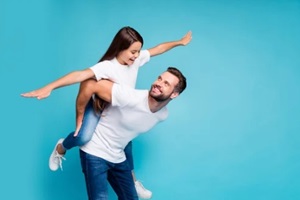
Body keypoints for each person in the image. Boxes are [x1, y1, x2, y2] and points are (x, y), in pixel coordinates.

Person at [21, 26, 192, 199]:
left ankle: (132, 181)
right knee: (83, 136)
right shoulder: (108, 67)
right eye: (133, 51)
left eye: (138, 51)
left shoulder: (136, 62)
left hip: (118, 110)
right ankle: (62, 146)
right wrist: (50, 88)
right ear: (120, 48)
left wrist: (179, 42)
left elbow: (158, 49)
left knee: (127, 139)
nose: (136, 55)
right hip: (99, 106)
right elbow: (82, 78)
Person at [78, 67, 187, 200]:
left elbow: (129, 131)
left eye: (166, 83)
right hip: (95, 151)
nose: (158, 83)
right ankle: (62, 147)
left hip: (117, 156)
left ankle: (134, 182)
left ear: (174, 94)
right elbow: (91, 83)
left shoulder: (162, 115)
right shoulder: (130, 96)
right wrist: (81, 121)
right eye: (159, 78)